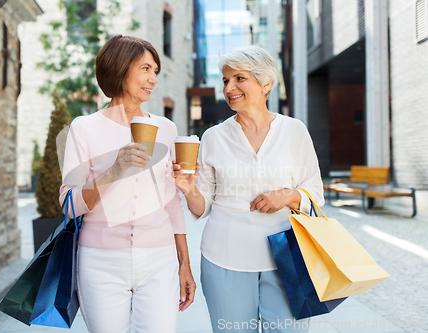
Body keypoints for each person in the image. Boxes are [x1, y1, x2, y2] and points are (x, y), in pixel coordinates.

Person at [170, 45, 324, 332]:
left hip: (287, 258)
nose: (229, 87)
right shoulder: (213, 137)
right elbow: (202, 207)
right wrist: (188, 189)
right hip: (224, 257)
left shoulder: (295, 131)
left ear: (266, 83)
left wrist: (289, 195)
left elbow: (315, 192)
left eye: (239, 78)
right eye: (226, 80)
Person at [59, 34, 196, 333]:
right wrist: (114, 170)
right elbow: (68, 205)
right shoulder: (84, 128)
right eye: (145, 69)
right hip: (101, 261)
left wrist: (183, 263)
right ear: (120, 68)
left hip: (159, 260)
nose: (153, 79)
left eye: (155, 71)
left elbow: (172, 202)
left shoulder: (166, 128)